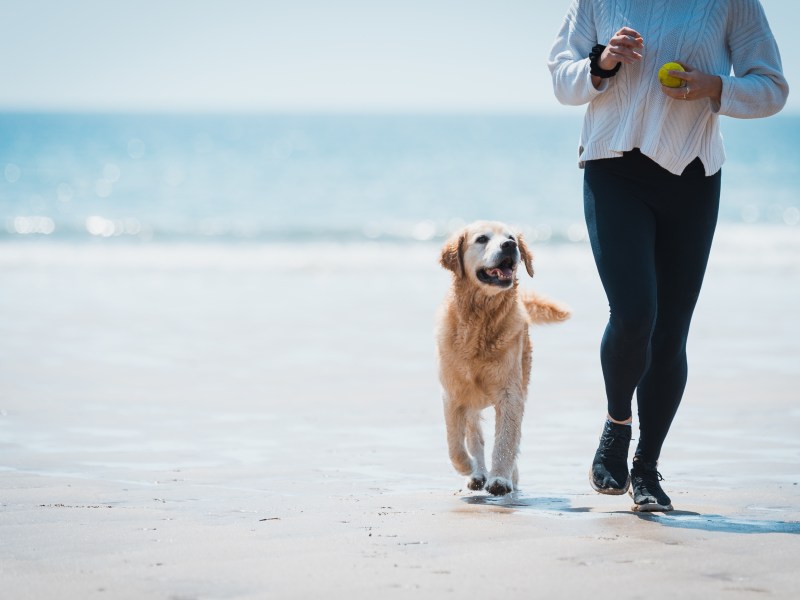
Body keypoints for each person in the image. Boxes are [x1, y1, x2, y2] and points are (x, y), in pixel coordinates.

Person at [548, 0, 788, 512]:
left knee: (671, 329)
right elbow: (561, 79)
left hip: (694, 176)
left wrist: (715, 87)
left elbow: (772, 87)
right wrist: (602, 62)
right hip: (612, 166)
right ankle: (617, 428)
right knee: (635, 313)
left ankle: (647, 469)